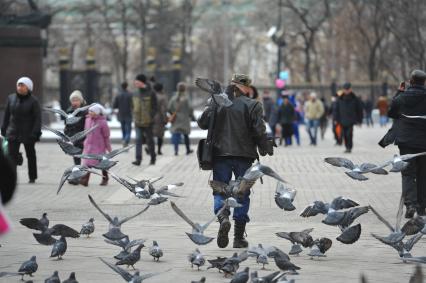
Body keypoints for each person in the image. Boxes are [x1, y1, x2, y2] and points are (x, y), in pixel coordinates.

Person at [198, 74, 274, 249]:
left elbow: (202, 123)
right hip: (244, 155)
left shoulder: (216, 101)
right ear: (246, 87)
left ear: (232, 85)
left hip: (219, 155)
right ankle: (238, 238)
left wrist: (212, 105)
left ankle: (223, 217)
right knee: (241, 193)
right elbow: (258, 130)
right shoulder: (253, 104)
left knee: (220, 190)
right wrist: (265, 146)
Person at [388, 70, 426, 216]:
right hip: (424, 142)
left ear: (410, 81)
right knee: (423, 173)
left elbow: (392, 113)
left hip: (406, 142)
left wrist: (398, 92)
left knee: (408, 173)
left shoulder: (402, 97)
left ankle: (410, 204)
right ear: (424, 82)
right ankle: (422, 207)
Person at [1, 77, 41, 183]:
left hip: (28, 132)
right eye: (18, 85)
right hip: (13, 131)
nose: (20, 87)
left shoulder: (34, 101)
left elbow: (37, 119)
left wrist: (35, 133)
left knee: (31, 155)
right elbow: (6, 115)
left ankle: (32, 177)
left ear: (28, 87)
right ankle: (11, 177)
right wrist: (3, 128)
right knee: (11, 155)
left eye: (22, 85)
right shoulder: (11, 98)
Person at [79, 103, 111, 186]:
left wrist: (108, 147)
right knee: (87, 162)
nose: (89, 112)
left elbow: (106, 136)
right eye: (89, 111)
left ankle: (105, 177)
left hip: (99, 146)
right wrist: (84, 141)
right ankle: (85, 179)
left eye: (92, 111)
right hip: (89, 145)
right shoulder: (87, 120)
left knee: (101, 163)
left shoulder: (102, 122)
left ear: (97, 112)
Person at [132, 74, 157, 166]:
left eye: (137, 82)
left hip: (148, 122)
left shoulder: (151, 92)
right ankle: (138, 159)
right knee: (138, 140)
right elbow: (132, 106)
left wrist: (150, 116)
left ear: (142, 82)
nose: (135, 83)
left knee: (150, 141)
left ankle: (153, 157)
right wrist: (134, 114)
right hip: (138, 121)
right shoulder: (135, 93)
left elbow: (155, 107)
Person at [336, 82, 363, 153]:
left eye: (348, 89)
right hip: (342, 119)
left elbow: (359, 110)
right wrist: (336, 119)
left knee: (349, 134)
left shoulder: (355, 98)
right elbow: (336, 109)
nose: (347, 91)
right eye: (345, 89)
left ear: (350, 89)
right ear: (343, 90)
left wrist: (359, 121)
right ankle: (347, 146)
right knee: (344, 134)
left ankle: (349, 147)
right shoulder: (340, 98)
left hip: (351, 120)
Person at [168, 82, 194, 156]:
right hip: (185, 119)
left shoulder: (173, 98)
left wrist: (172, 113)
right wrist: (190, 115)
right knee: (186, 135)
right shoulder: (186, 98)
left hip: (176, 119)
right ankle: (188, 150)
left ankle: (176, 151)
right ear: (185, 89)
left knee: (176, 134)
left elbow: (169, 108)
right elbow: (190, 108)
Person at [64, 90, 87, 169]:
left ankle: (82, 174)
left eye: (77, 100)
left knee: (84, 158)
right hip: (74, 138)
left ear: (80, 101)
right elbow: (66, 125)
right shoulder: (69, 111)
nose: (75, 102)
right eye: (73, 100)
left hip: (83, 137)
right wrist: (67, 134)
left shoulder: (84, 111)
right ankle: (77, 175)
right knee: (76, 157)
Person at [113, 82, 133, 147]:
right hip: (128, 114)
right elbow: (133, 105)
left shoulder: (118, 95)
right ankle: (126, 140)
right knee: (128, 129)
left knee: (123, 128)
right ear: (127, 86)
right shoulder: (130, 94)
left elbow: (114, 105)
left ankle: (124, 139)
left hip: (121, 114)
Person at [151, 83, 168, 155]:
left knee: (150, 134)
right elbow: (163, 109)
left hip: (151, 117)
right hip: (159, 118)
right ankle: (159, 150)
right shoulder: (162, 97)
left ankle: (150, 148)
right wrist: (165, 119)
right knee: (160, 135)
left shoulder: (150, 96)